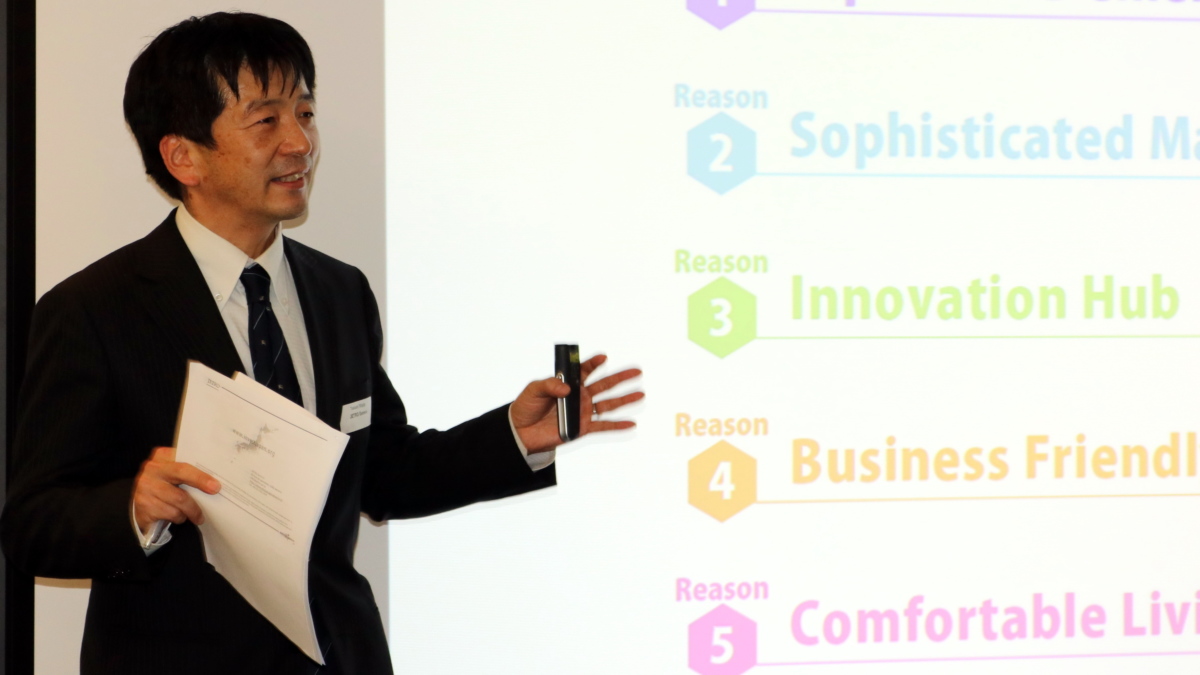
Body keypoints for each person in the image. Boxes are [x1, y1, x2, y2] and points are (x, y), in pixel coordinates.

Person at [0, 12, 642, 675]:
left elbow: (383, 473)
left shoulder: (339, 291)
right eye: (266, 121)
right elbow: (33, 525)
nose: (300, 142)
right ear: (183, 156)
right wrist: (133, 506)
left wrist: (512, 436)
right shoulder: (94, 309)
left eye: (305, 114)